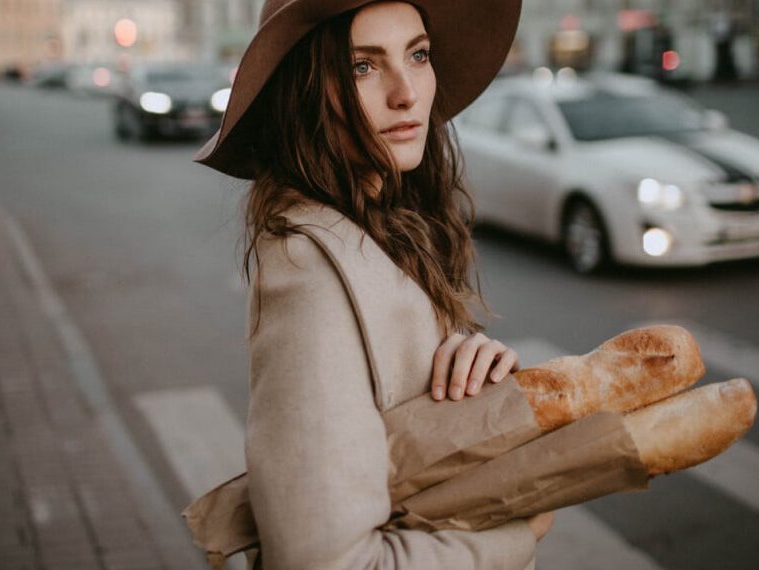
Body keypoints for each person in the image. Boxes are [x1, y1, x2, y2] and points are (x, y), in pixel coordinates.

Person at [193, 1, 554, 568]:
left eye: (418, 54)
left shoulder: (388, 223)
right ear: (308, 89)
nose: (406, 93)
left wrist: (476, 383)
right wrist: (517, 532)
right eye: (363, 65)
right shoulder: (311, 267)